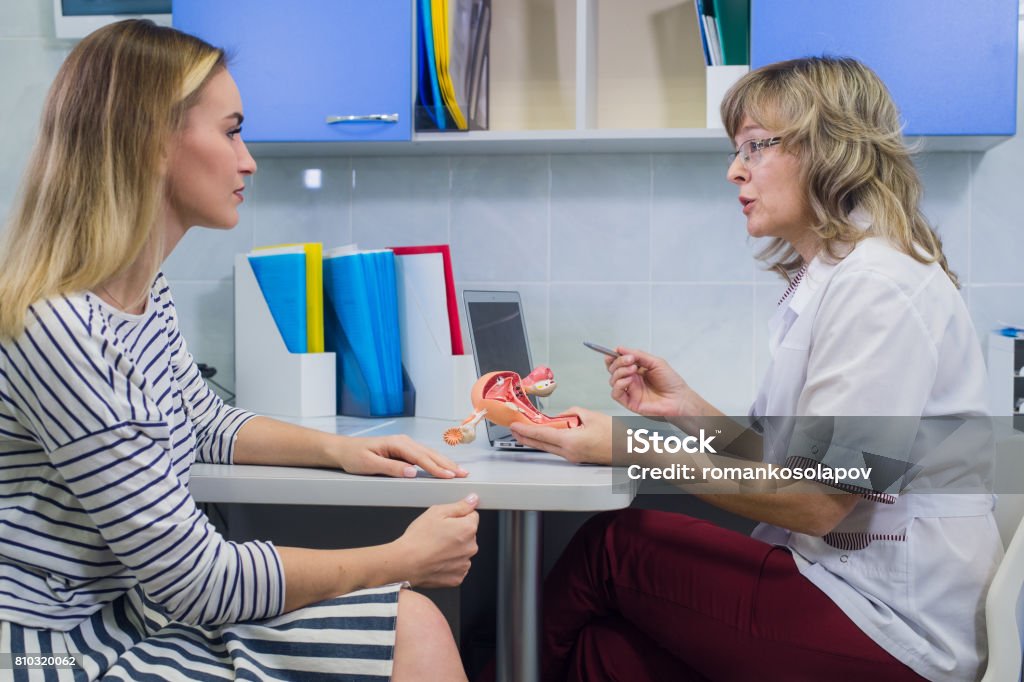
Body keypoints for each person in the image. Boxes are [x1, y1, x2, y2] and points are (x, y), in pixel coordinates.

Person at [0, 20, 478, 681]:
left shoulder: (141, 295)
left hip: (128, 613)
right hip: (45, 647)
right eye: (230, 130)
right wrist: (400, 558)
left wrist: (342, 450)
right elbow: (195, 580)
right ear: (150, 143)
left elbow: (199, 421)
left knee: (413, 624)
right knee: (411, 608)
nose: (247, 159)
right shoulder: (58, 330)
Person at [510, 57, 1001, 682]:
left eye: (753, 148)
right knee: (607, 655)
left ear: (828, 150)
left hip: (896, 622)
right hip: (848, 586)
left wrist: (628, 447)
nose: (734, 170)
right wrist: (685, 409)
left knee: (612, 548)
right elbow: (790, 466)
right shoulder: (837, 279)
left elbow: (820, 500)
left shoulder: (878, 285)